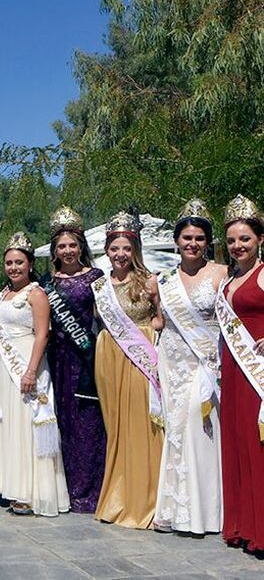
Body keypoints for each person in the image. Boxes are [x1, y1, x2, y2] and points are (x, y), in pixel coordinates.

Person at [153, 200, 226, 535]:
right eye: (186, 238)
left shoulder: (221, 274)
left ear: (207, 241)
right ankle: (174, 509)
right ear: (176, 241)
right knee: (177, 431)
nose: (192, 243)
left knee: (200, 429)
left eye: (199, 238)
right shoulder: (163, 280)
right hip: (172, 362)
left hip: (205, 361)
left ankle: (202, 513)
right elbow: (158, 321)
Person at [91, 211, 164, 529]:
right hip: (109, 357)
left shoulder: (149, 280)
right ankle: (117, 496)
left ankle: (143, 500)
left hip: (140, 355)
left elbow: (162, 320)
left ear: (135, 249)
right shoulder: (99, 285)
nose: (120, 254)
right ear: (106, 250)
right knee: (116, 427)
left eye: (126, 248)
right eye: (114, 248)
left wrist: (154, 331)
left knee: (141, 424)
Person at [0, 233, 69, 517]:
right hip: (6, 368)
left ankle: (34, 492)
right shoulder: (4, 294)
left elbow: (43, 334)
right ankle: (15, 487)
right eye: (10, 263)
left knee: (29, 427)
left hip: (27, 365)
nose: (14, 268)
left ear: (29, 264)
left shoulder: (36, 294)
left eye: (19, 263)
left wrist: (30, 371)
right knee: (12, 427)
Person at [45, 206, 107, 513]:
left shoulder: (96, 277)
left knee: (90, 421)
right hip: (58, 360)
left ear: (81, 246)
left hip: (88, 358)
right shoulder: (47, 283)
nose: (68, 251)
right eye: (62, 246)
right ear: (54, 251)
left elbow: (111, 315)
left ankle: (93, 489)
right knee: (64, 423)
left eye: (72, 245)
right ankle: (69, 488)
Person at [215, 194, 264, 553]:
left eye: (244, 238)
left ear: (260, 239)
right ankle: (241, 525)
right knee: (236, 441)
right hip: (232, 369)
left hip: (257, 368)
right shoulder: (229, 280)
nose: (237, 246)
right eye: (232, 240)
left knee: (256, 444)